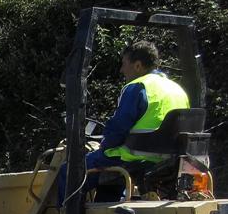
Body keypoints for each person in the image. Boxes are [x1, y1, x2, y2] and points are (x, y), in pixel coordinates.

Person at [57, 40, 189, 205]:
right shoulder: (177, 89)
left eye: (124, 64)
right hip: (169, 160)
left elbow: (118, 128)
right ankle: (103, 213)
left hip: (134, 158)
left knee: (68, 172)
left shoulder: (138, 87)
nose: (121, 70)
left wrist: (105, 145)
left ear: (138, 65)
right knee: (108, 182)